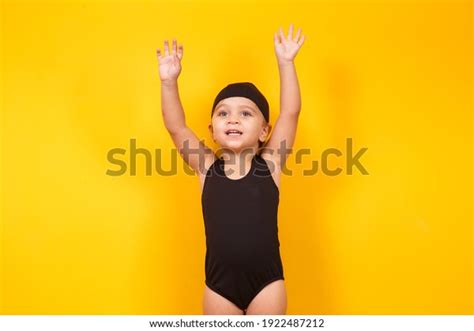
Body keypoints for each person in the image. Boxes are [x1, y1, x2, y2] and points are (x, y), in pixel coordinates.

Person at [156, 23, 305, 315]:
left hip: (267, 284)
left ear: (265, 131)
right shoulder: (206, 166)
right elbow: (176, 126)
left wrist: (285, 63)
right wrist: (168, 83)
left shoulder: (270, 164)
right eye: (223, 113)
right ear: (212, 130)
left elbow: (290, 111)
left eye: (245, 113)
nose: (233, 119)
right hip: (219, 287)